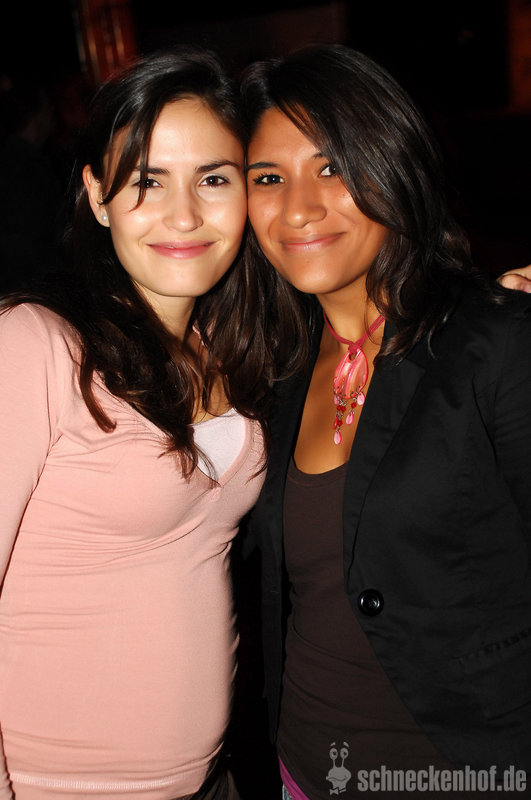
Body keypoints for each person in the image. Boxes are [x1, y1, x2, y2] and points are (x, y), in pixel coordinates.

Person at [240, 43, 531, 798]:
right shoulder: (271, 369)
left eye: (332, 168)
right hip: (303, 769)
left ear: (391, 166)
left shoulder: (495, 342)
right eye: (267, 178)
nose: (297, 207)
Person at [0, 46, 276, 800]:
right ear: (97, 196)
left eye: (213, 179)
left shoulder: (232, 346)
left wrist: (488, 307)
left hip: (210, 781)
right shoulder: (37, 345)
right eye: (147, 182)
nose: (183, 215)